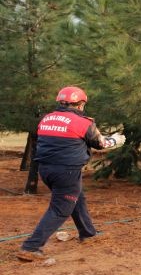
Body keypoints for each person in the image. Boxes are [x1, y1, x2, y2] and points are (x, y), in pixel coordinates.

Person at [16, 86, 125, 261]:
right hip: (66, 171)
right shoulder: (84, 122)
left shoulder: (46, 119)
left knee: (77, 198)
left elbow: (64, 136)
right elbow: (100, 143)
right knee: (60, 209)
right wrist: (115, 140)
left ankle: (88, 234)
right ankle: (31, 247)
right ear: (80, 104)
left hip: (45, 169)